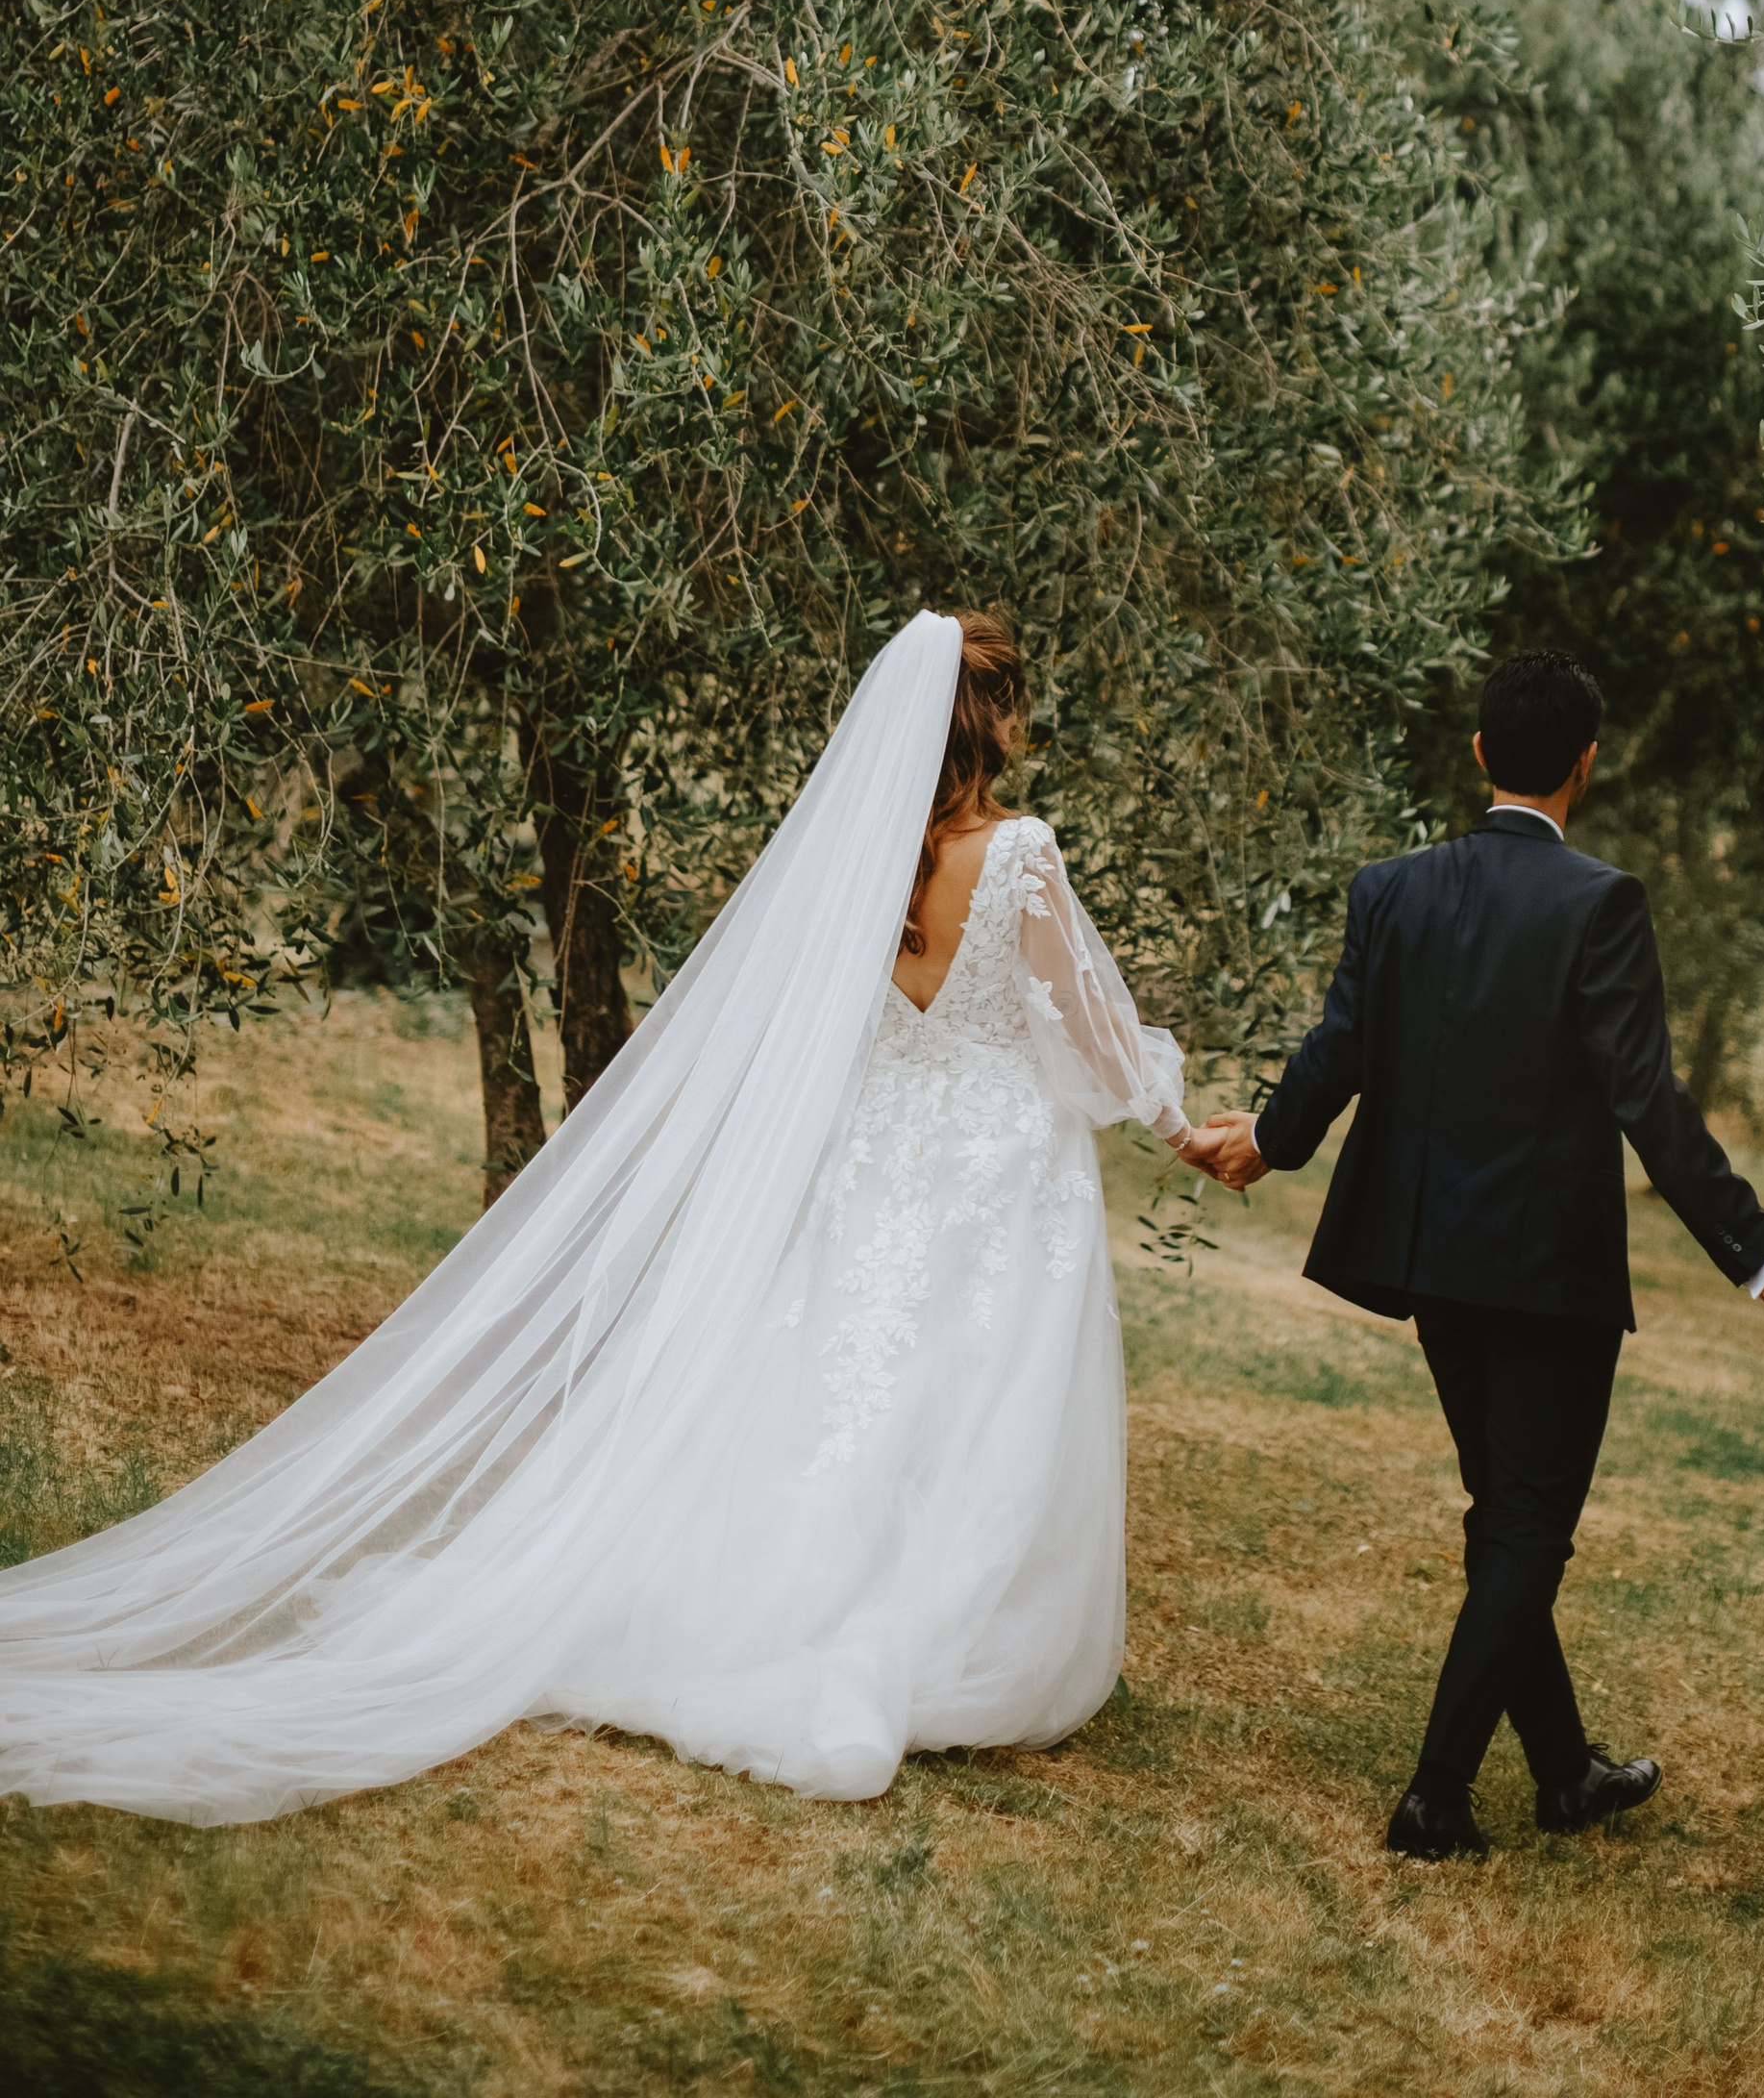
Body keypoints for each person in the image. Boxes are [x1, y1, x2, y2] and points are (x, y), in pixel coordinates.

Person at [0, 610, 1224, 1823]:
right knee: (968, 1396)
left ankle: (765, 1607)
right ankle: (924, 1640)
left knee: (843, 1380)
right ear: (996, 717)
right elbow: (1097, 1036)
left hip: (872, 1158)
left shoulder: (852, 858)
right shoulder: (1019, 854)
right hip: (992, 1167)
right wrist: (1183, 1126)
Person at [1185, 646, 1764, 1863]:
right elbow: (1649, 1101)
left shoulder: (1391, 889)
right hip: (1548, 1275)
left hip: (1434, 1260)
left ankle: (1564, 1774)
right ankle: (1435, 1796)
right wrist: (1758, 1251)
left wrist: (1265, 1144)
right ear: (1583, 768)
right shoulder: (1598, 902)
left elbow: (1342, 1045)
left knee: (1507, 1517)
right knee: (1530, 1526)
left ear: (1481, 752)